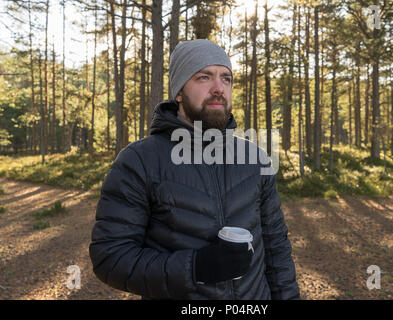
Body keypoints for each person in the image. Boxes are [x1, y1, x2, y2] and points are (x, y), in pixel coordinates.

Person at [89, 39, 300, 300]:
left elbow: (276, 249)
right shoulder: (138, 161)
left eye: (226, 78)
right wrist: (195, 268)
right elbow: (110, 257)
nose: (218, 88)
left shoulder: (254, 158)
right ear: (179, 92)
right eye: (204, 77)